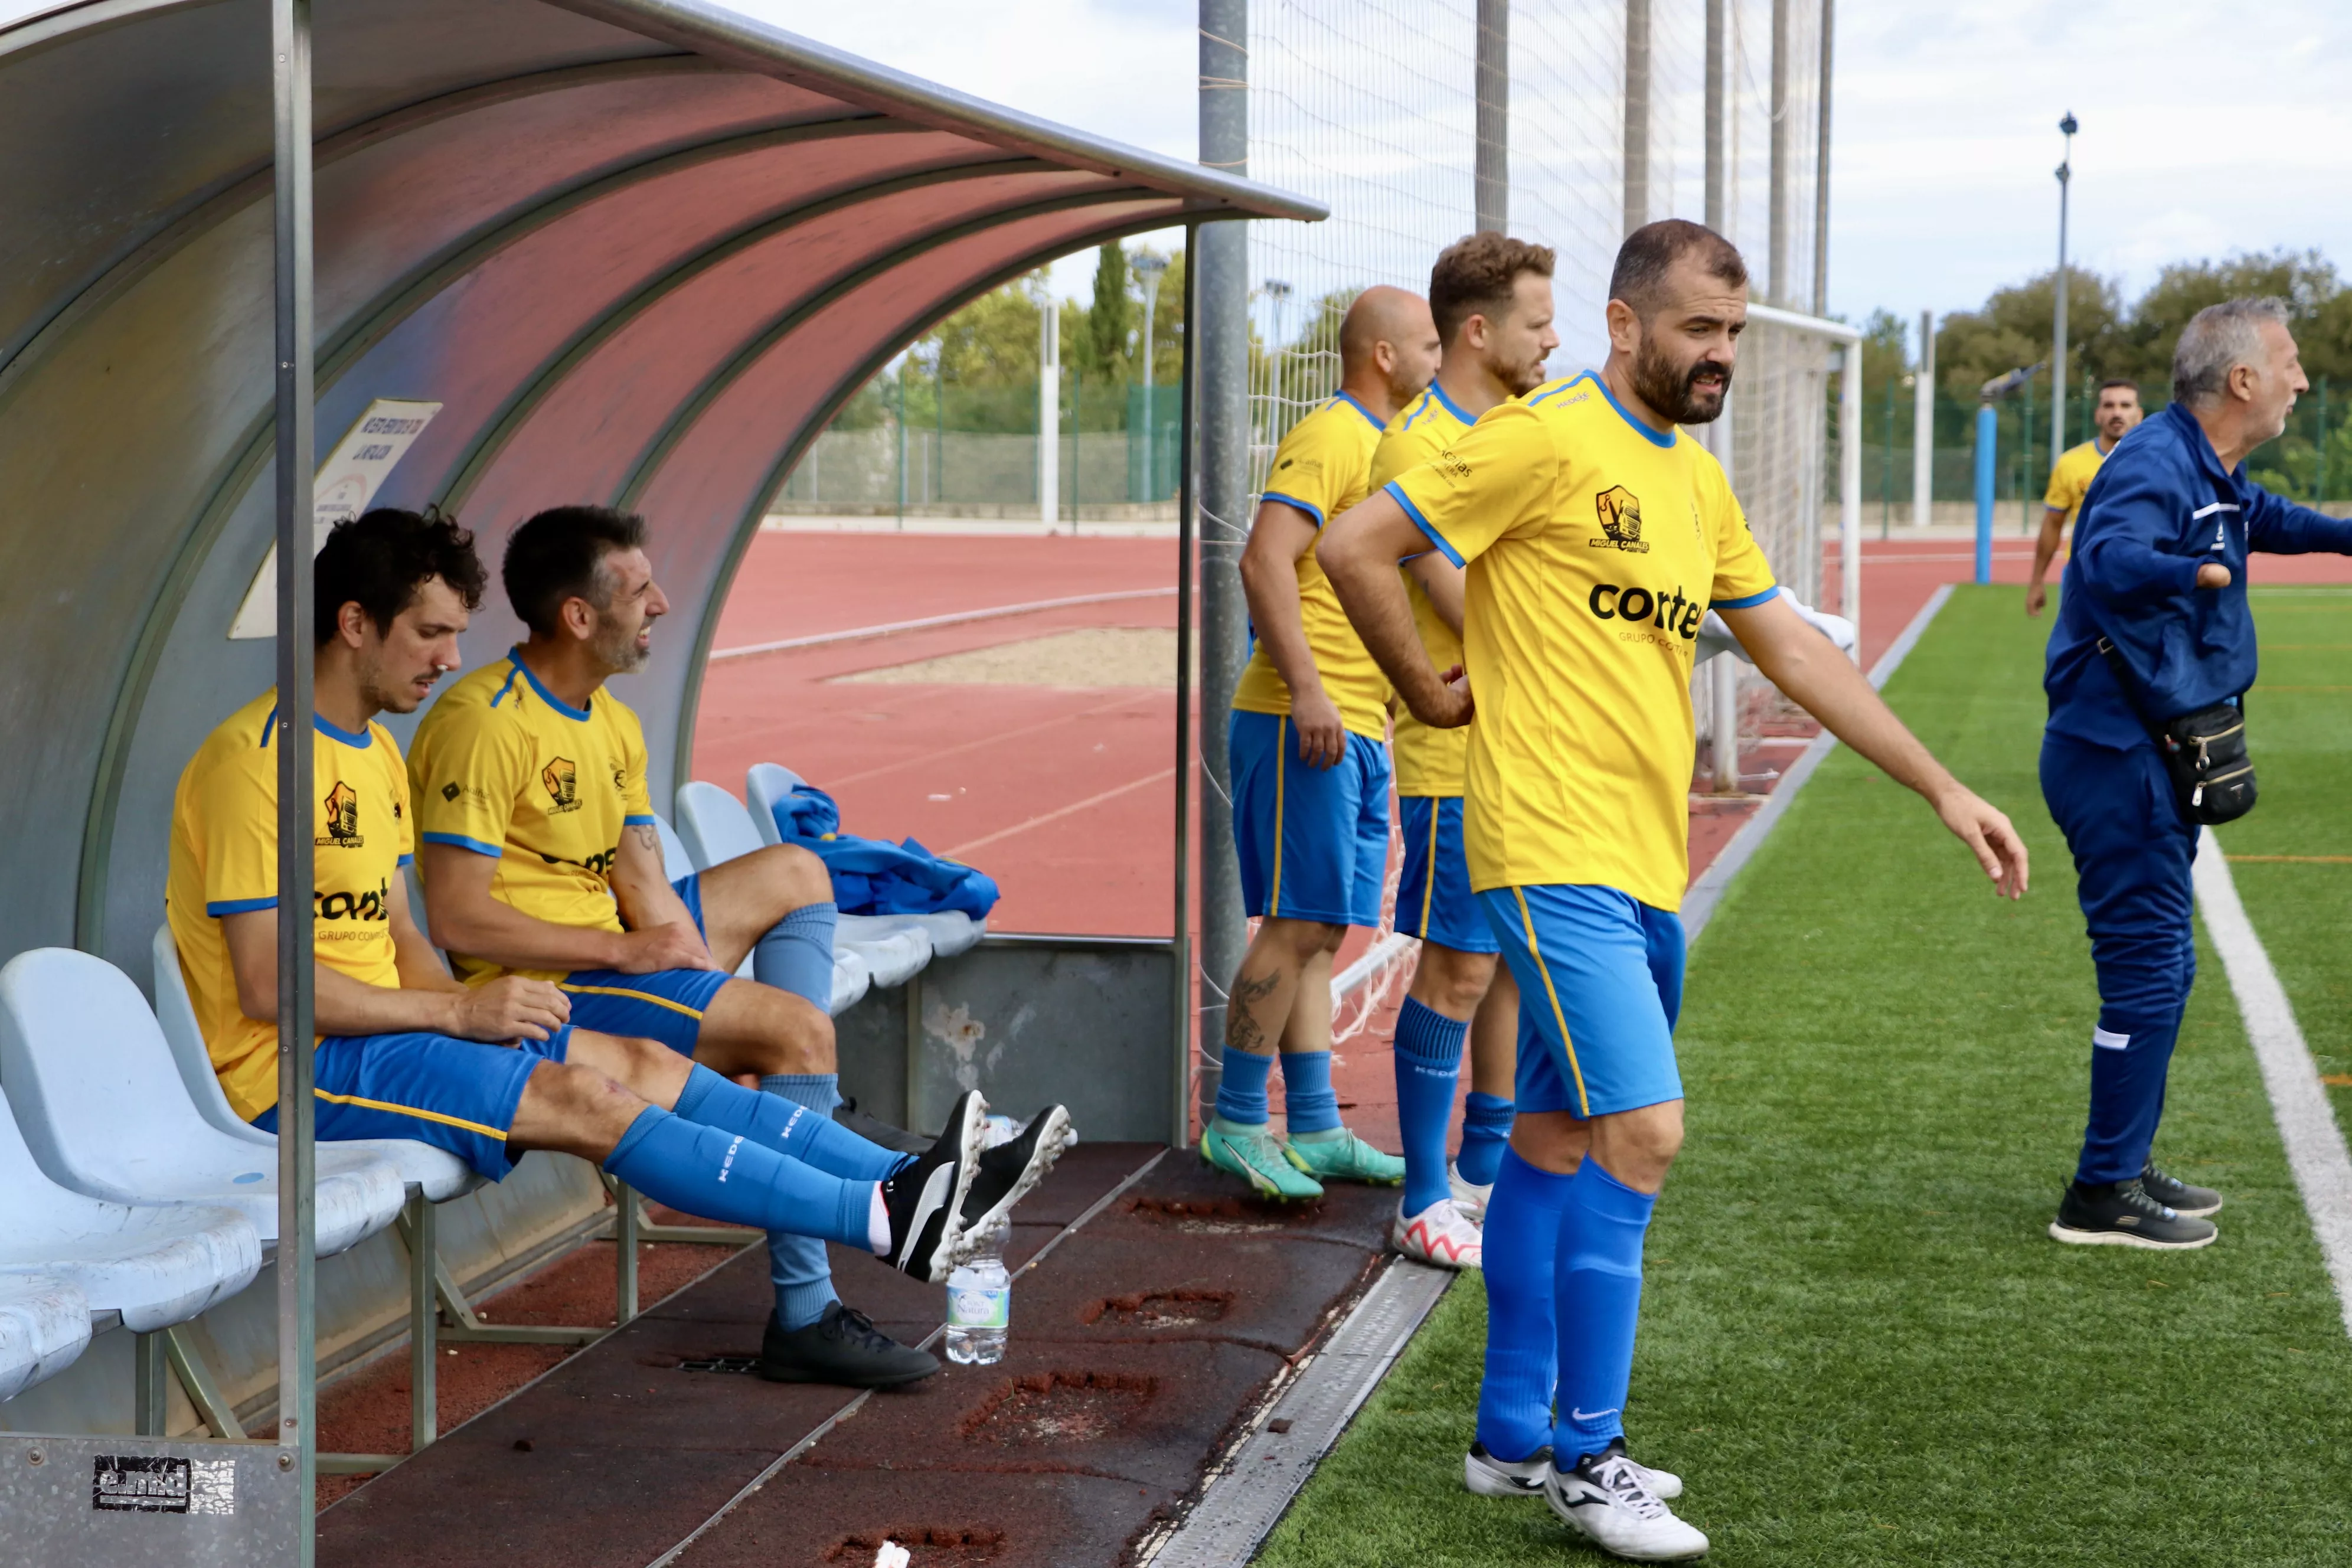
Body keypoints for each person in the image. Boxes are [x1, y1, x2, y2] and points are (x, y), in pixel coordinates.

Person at [1319, 219, 2028, 1562]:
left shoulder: (1695, 490)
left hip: (1648, 860)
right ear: (1626, 324)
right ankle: (1590, 1456)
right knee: (1647, 1130)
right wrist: (1423, 690)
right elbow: (1357, 545)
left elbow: (1797, 661)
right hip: (1544, 847)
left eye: (1735, 335)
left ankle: (1509, 1436)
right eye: (1701, 329)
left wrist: (1943, 787)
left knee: (1557, 1141)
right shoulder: (1544, 437)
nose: (1721, 356)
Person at [165, 510, 1067, 1378]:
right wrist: (458, 1008)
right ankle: (880, 1219)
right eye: (430, 634)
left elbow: (399, 932)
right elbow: (269, 987)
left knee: (641, 1059)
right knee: (585, 1098)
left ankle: (915, 1179)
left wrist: (460, 1024)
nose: (449, 657)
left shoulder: (370, 753)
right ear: (354, 624)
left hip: (388, 1034)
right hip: (291, 1069)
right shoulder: (257, 764)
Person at [2040, 298, 2352, 1250]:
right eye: (2291, 364)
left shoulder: (2209, 465)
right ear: (2244, 380)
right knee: (2146, 970)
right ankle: (2099, 1195)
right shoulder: (2153, 460)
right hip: (2118, 754)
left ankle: (2121, 1168)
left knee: (2166, 969)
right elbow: (2108, 554)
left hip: (2149, 749)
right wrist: (2193, 577)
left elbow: (2269, 519)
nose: (2303, 380)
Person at [1202, 285, 1440, 1202]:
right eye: (1424, 344)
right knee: (1295, 922)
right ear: (1382, 354)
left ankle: (1314, 1126)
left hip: (1354, 722)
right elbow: (1262, 558)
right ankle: (1235, 1120)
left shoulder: (1390, 448)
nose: (1433, 359)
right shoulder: (1337, 433)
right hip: (1302, 718)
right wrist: (1306, 688)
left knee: (1325, 927)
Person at [1368, 234, 1559, 1271]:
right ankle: (1419, 1196)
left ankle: (1481, 1170)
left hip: (1521, 746)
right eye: (1536, 321)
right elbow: (1455, 592)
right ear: (1477, 330)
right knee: (1454, 970)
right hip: (1454, 755)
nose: (1553, 338)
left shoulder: (1523, 428)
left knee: (1505, 974)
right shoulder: (1416, 444)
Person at [2027, 379, 2145, 616]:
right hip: (2082, 575)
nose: (2117, 412)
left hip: (2140, 574)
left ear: (2139, 414)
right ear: (2098, 414)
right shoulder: (2071, 463)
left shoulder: (2157, 462)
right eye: (2109, 406)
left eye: (2125, 405)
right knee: (2077, 651)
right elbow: (2053, 523)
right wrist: (2037, 580)